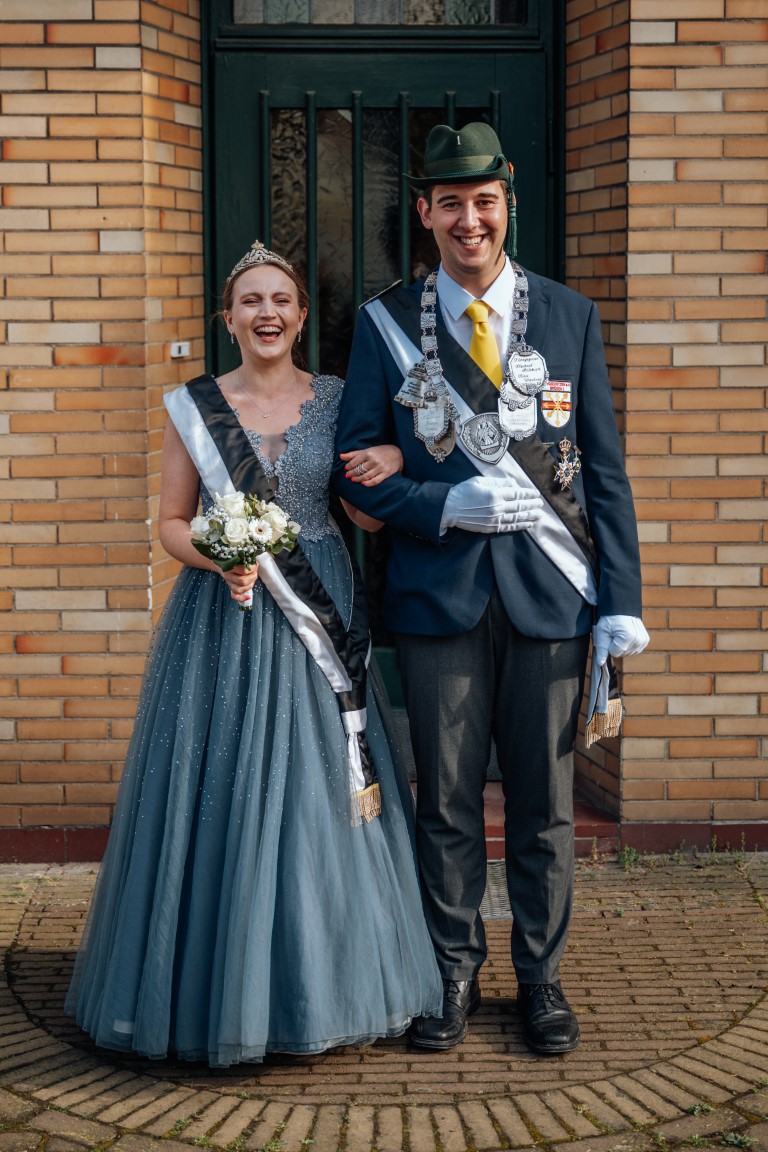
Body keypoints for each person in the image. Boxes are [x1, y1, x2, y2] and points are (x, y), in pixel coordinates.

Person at [65, 240, 443, 1066]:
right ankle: (214, 986)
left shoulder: (339, 398)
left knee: (316, 790)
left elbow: (364, 515)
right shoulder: (193, 406)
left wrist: (393, 460)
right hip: (223, 617)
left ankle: (321, 982)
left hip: (318, 608)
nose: (266, 313)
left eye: (281, 300)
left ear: (301, 316)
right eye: (250, 301)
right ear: (228, 318)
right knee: (225, 786)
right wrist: (222, 557)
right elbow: (171, 524)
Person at [332, 123, 649, 1056]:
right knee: (447, 803)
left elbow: (603, 472)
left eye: (485, 202)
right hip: (440, 600)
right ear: (425, 213)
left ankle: (541, 979)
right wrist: (443, 504)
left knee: (546, 807)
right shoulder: (386, 323)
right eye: (451, 204)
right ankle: (453, 973)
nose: (469, 220)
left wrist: (622, 598)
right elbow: (356, 472)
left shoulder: (569, 316)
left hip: (552, 599)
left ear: (508, 203)